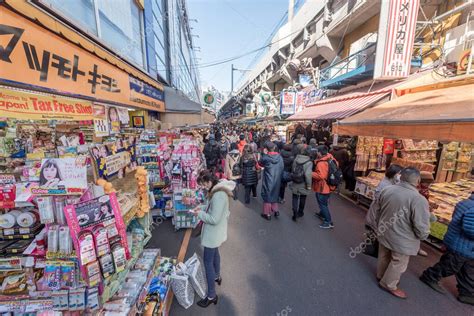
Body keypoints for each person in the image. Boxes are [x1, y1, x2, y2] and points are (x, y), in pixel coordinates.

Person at [374, 167, 430, 299]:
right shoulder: (418, 199)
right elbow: (421, 225)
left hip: (384, 231)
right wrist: (423, 236)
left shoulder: (387, 189)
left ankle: (381, 275)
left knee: (384, 255)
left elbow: (377, 211)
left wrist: (379, 226)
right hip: (403, 238)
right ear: (417, 180)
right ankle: (388, 284)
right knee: (398, 262)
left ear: (401, 177)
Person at [419, 192, 474, 306]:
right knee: (450, 265)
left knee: (468, 270)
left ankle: (467, 293)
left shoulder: (465, 203)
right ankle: (430, 276)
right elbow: (470, 228)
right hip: (461, 245)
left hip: (464, 246)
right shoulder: (472, 207)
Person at [190, 170, 235, 308]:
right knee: (215, 254)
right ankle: (217, 276)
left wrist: (200, 214)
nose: (203, 188)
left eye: (204, 185)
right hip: (215, 234)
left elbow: (213, 218)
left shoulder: (218, 195)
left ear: (209, 181)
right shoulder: (217, 190)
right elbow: (211, 207)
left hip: (212, 233)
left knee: (207, 262)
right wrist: (201, 208)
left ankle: (211, 295)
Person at [312, 145, 337, 229]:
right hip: (329, 185)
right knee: (323, 202)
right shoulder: (331, 158)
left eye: (317, 151)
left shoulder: (322, 163)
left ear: (319, 153)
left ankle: (328, 221)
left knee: (323, 204)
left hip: (323, 187)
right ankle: (322, 214)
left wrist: (310, 173)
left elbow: (321, 176)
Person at [259, 142, 284, 220]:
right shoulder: (280, 157)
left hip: (268, 177)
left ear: (266, 149)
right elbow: (282, 167)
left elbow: (260, 163)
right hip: (277, 178)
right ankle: (276, 210)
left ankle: (267, 213)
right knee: (275, 193)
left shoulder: (266, 157)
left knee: (267, 194)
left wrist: (264, 154)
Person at [289, 144, 313, 221]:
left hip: (296, 181)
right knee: (303, 197)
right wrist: (309, 186)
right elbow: (308, 174)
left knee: (295, 197)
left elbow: (293, 169)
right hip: (303, 183)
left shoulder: (296, 159)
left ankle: (294, 212)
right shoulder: (309, 162)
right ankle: (300, 212)